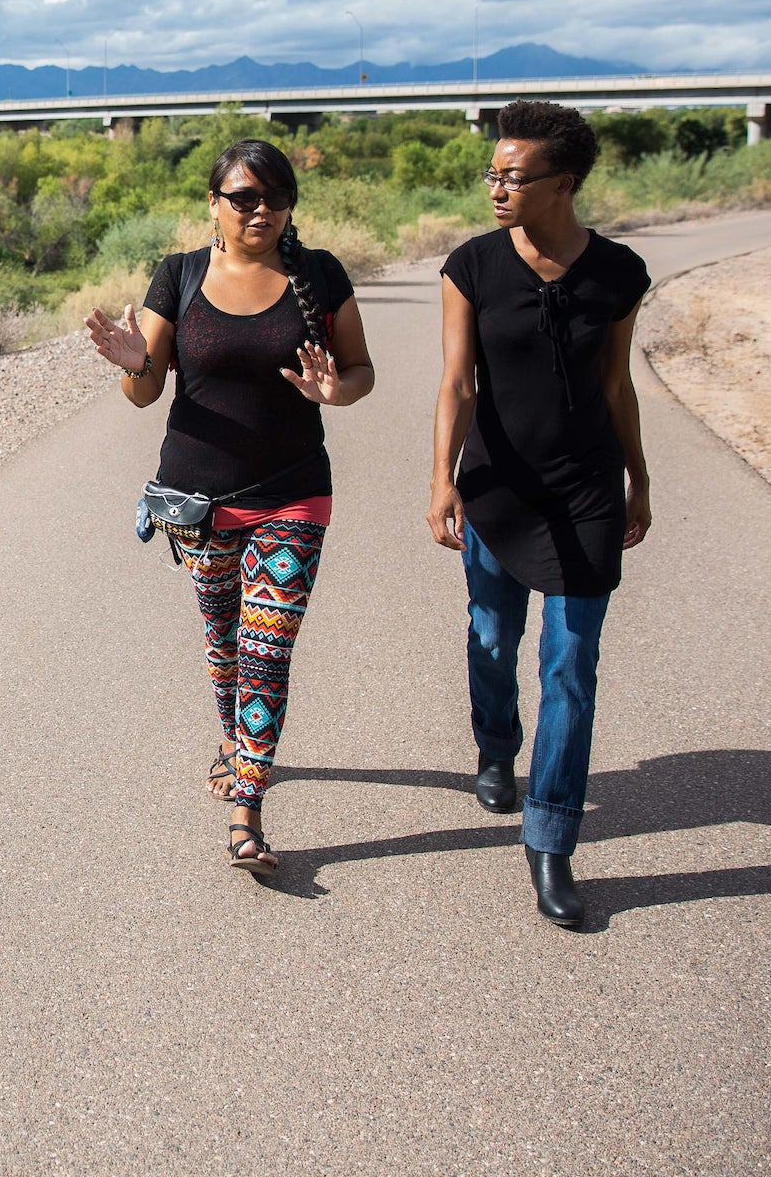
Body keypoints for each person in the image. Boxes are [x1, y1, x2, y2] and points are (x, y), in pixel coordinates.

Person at [86, 140, 375, 876]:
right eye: (243, 197)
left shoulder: (319, 273)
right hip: (198, 501)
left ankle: (248, 811)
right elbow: (145, 393)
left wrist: (334, 392)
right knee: (223, 645)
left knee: (266, 649)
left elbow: (360, 372)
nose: (261, 210)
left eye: (275, 197)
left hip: (293, 495)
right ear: (213, 203)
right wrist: (134, 363)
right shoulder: (179, 275)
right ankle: (236, 743)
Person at [428, 100, 652, 930]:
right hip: (496, 485)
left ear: (562, 183)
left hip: (587, 489)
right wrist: (441, 478)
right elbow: (457, 384)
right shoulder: (473, 266)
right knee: (492, 637)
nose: (496, 188)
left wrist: (640, 477)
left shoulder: (619, 273)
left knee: (571, 664)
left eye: (512, 177)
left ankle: (551, 838)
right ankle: (495, 744)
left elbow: (617, 385)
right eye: (492, 174)